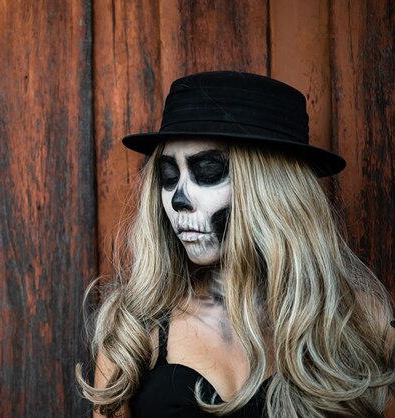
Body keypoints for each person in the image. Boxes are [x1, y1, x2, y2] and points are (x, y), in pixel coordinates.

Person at [76, 71, 395, 417]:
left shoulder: (362, 321)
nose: (178, 199)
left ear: (271, 189)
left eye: (207, 170)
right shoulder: (135, 329)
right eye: (169, 175)